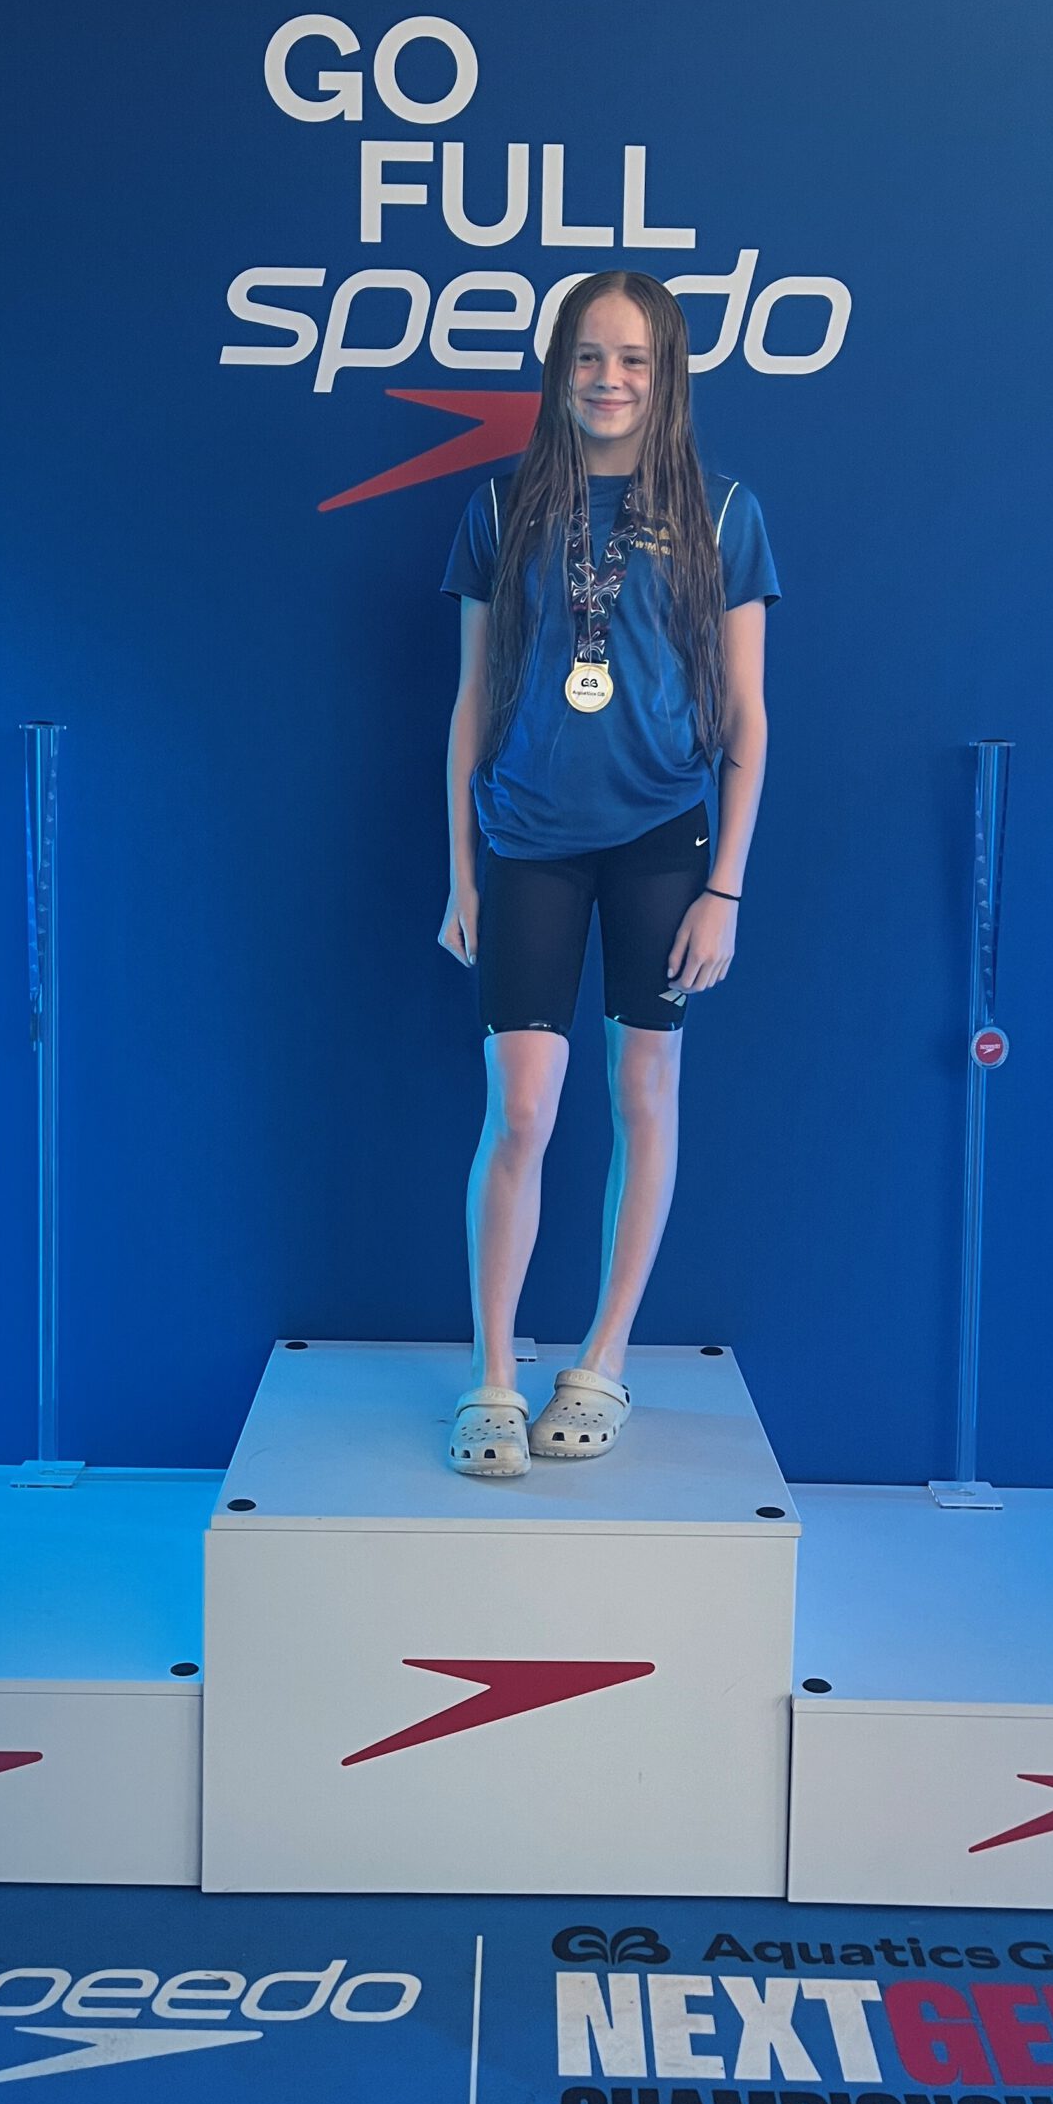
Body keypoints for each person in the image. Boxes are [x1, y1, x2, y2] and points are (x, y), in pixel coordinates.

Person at [437, 269, 779, 1479]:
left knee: (645, 1092)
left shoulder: (724, 513)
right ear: (560, 369)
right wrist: (461, 875)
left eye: (633, 359)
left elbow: (748, 716)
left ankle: (605, 1358)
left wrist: (726, 888)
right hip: (527, 840)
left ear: (666, 371)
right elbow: (470, 702)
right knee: (522, 1108)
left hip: (661, 846)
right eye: (588, 355)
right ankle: (492, 1373)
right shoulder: (502, 507)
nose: (609, 379)